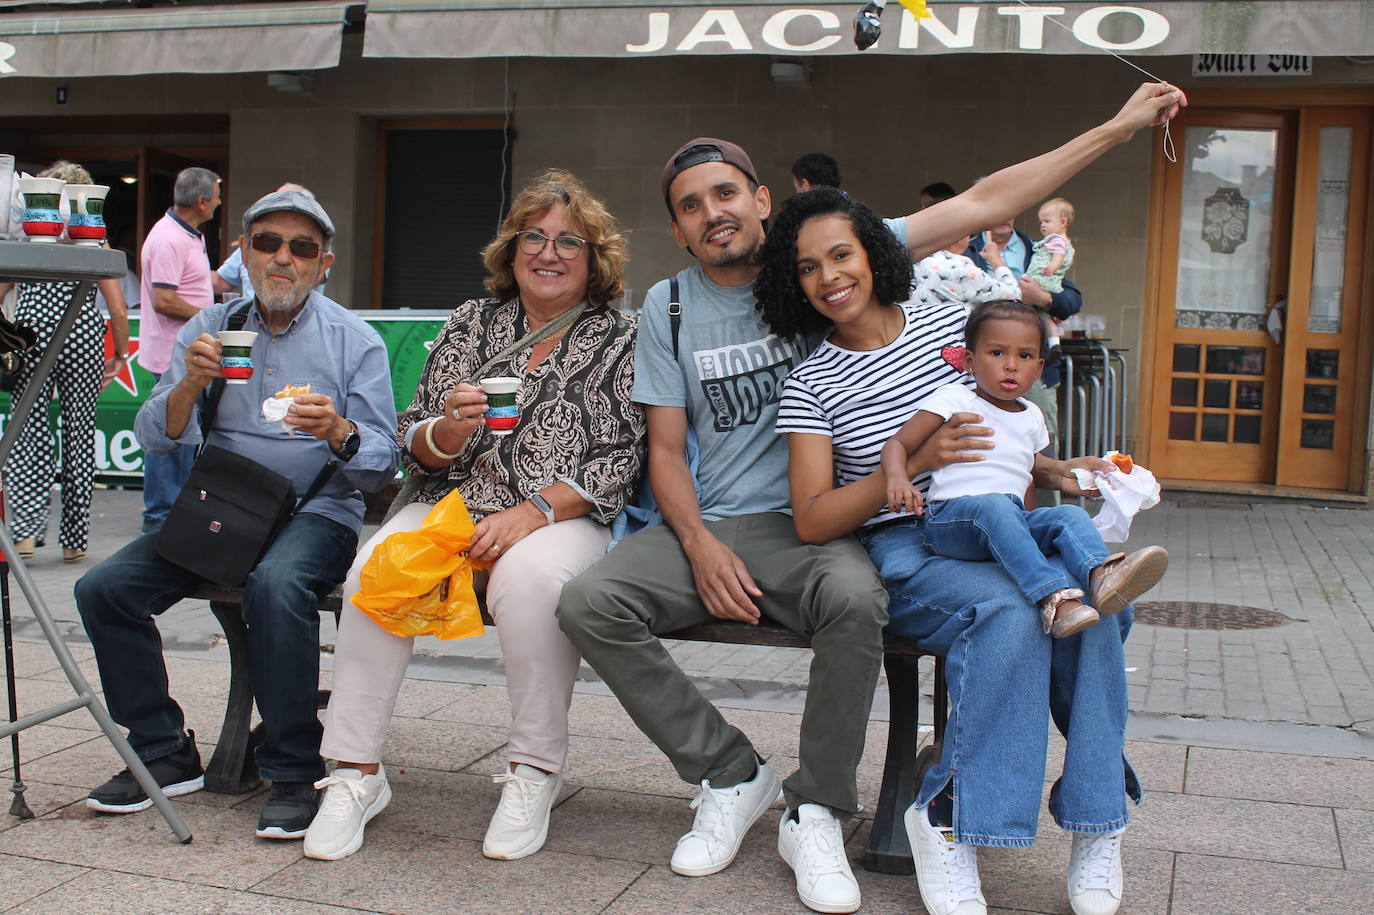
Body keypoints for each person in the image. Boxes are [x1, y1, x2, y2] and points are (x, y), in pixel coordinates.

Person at [754, 81, 1186, 915]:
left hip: (1001, 525)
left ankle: (1096, 821)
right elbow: (811, 518)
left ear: (872, 252)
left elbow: (997, 195)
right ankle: (945, 815)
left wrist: (1123, 125)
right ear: (792, 285)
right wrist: (904, 472)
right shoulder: (810, 382)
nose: (829, 276)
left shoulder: (934, 312)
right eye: (807, 267)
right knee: (1019, 610)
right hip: (911, 545)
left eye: (840, 254)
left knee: (1094, 602)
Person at [556, 137, 891, 915]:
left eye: (726, 194)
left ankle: (817, 809)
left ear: (762, 199)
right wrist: (701, 545)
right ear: (677, 229)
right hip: (711, 522)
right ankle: (732, 772)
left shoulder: (815, 271)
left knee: (856, 601)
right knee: (587, 602)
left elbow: (976, 207)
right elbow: (666, 453)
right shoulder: (668, 306)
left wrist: (1117, 127)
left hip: (811, 527)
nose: (714, 213)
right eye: (691, 205)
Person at [304, 169, 644, 863]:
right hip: (455, 504)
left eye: (568, 241)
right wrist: (450, 432)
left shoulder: (622, 335)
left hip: (562, 512)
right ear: (511, 249)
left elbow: (623, 457)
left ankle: (533, 770)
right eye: (534, 237)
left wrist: (536, 509)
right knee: (375, 567)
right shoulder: (472, 321)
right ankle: (354, 772)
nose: (549, 253)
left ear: (595, 257)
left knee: (531, 582)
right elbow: (414, 441)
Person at [75, 190, 400, 840]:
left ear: (324, 262)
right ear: (244, 254)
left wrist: (339, 429)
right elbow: (155, 435)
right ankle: (164, 749)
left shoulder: (353, 340)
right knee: (102, 589)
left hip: (318, 510)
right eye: (268, 243)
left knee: (277, 583)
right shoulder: (210, 327)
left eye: (301, 247)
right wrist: (191, 384)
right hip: (224, 507)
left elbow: (383, 462)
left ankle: (290, 770)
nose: (283, 257)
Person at [878, 298, 1167, 638]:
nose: (1011, 366)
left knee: (1068, 517)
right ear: (970, 360)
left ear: (1039, 367)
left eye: (1024, 356)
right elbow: (897, 444)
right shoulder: (955, 399)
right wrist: (898, 477)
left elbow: (1030, 465)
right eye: (997, 353)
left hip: (1006, 519)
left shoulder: (1031, 415)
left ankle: (1101, 577)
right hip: (951, 522)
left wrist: (1070, 471)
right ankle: (1053, 597)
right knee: (996, 505)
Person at [0, 160, 130, 564]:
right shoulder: (90, 238)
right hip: (82, 333)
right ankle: (75, 540)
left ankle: (25, 533)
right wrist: (122, 353)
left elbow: (2, 287)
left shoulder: (32, 236)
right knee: (78, 434)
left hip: (33, 332)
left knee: (28, 432)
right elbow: (118, 307)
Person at [138, 166, 220, 533]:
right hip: (173, 355)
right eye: (217, 196)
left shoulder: (188, 235)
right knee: (169, 438)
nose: (219, 203)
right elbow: (163, 299)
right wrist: (210, 318)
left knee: (184, 437)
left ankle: (174, 515)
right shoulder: (170, 238)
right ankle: (159, 520)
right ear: (202, 201)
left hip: (189, 353)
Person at [213, 184, 326, 301]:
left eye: (300, 246)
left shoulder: (316, 248)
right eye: (276, 200)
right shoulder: (253, 243)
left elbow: (316, 277)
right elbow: (220, 283)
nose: (282, 258)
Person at [911, 232, 1019, 308]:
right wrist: (996, 260)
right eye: (968, 232)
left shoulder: (909, 260)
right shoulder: (961, 267)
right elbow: (1014, 296)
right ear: (958, 237)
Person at [1025, 197, 1076, 294]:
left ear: (1063, 222)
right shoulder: (1064, 242)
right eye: (1041, 222)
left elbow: (1058, 256)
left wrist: (1052, 268)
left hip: (1042, 277)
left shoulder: (1057, 240)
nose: (1042, 225)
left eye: (1047, 221)